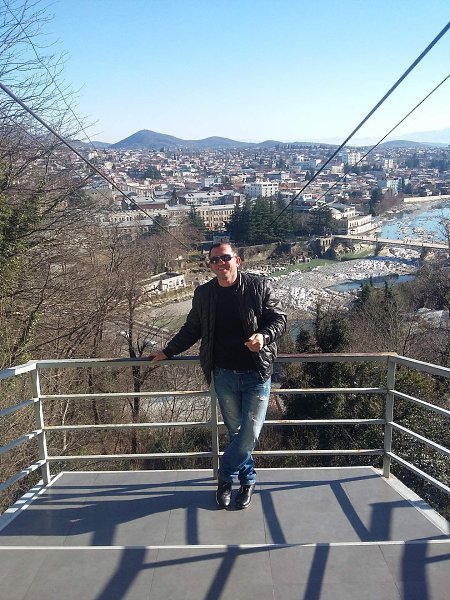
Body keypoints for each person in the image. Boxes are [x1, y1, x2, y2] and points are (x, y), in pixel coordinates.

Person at [151, 242, 286, 509]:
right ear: (210, 265)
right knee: (236, 433)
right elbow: (192, 329)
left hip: (256, 373)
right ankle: (247, 481)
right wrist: (168, 351)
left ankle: (224, 478)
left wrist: (263, 336)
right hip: (223, 374)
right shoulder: (204, 294)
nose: (220, 263)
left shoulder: (259, 286)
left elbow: (279, 319)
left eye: (225, 258)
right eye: (214, 260)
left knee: (250, 433)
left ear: (237, 260)